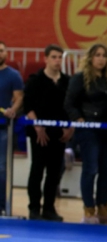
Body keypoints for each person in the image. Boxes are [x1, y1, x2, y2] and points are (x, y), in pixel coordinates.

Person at [64, 44, 107, 224]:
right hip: (88, 128)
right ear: (90, 58)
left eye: (104, 55)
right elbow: (69, 102)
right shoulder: (80, 78)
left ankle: (103, 207)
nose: (101, 59)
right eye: (97, 55)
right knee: (91, 168)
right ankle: (88, 209)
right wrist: (78, 118)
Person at [24, 44, 73, 221]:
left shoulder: (67, 81)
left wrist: (70, 127)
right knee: (37, 169)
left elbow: (72, 106)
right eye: (54, 57)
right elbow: (28, 105)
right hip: (39, 132)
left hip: (59, 133)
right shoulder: (35, 80)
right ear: (46, 59)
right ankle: (34, 207)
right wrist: (37, 125)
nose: (57, 60)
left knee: (54, 171)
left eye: (60, 57)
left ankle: (49, 208)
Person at [0, 41, 24, 214]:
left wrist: (12, 110)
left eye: (1, 51)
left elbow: (19, 97)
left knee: (1, 168)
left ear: (6, 53)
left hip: (3, 128)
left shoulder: (13, 75)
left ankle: (2, 205)